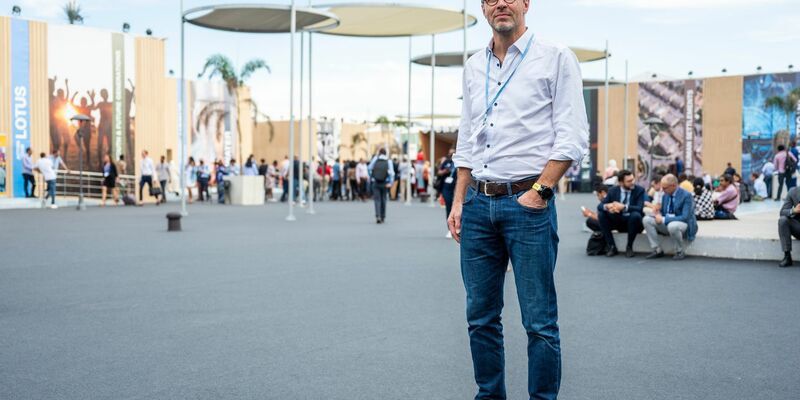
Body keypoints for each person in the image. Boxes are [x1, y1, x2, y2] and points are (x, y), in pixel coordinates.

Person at [447, 0, 589, 396]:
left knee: (539, 322)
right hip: (478, 203)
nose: (501, 4)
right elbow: (467, 139)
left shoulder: (555, 57)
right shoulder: (474, 66)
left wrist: (540, 192)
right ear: (483, 8)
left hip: (528, 203)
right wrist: (458, 201)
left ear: (526, 3)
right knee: (480, 318)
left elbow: (573, 136)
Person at [642, 174, 698, 260]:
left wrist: (663, 219)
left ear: (673, 186)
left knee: (672, 226)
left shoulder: (686, 195)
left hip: (683, 225)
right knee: (646, 220)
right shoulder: (665, 195)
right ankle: (657, 249)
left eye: (665, 188)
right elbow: (664, 213)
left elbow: (685, 217)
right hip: (668, 223)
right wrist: (658, 214)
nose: (662, 190)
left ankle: (679, 251)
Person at [598, 170, 646, 258]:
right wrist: (608, 206)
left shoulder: (639, 190)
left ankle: (629, 247)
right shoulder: (612, 190)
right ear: (621, 183)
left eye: (633, 179)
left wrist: (624, 207)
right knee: (602, 214)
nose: (632, 182)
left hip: (633, 222)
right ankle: (611, 246)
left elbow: (640, 208)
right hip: (618, 220)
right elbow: (600, 206)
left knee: (635, 215)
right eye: (629, 181)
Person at [368, 149, 395, 224]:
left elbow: (369, 168)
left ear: (379, 153)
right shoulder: (388, 161)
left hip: (376, 182)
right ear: (386, 153)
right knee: (384, 199)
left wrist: (372, 177)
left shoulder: (375, 159)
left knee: (377, 200)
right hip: (385, 183)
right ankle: (383, 216)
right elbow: (392, 173)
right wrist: (391, 183)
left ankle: (378, 216)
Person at [778, 186, 800, 267]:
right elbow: (782, 212)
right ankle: (787, 256)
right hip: (798, 228)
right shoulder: (793, 191)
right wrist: (794, 210)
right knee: (783, 220)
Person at [438, 148, 457, 237]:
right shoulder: (446, 162)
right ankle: (450, 229)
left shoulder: (459, 162)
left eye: (453, 153)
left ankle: (458, 227)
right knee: (449, 207)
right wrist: (445, 171)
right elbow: (439, 172)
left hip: (456, 187)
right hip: (447, 187)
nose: (451, 155)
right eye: (450, 153)